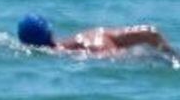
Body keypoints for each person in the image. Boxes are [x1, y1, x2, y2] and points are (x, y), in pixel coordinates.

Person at [17, 14, 177, 58]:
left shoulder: (61, 53)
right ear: (50, 31)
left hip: (102, 53)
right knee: (152, 37)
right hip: (101, 36)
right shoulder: (89, 35)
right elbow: (151, 32)